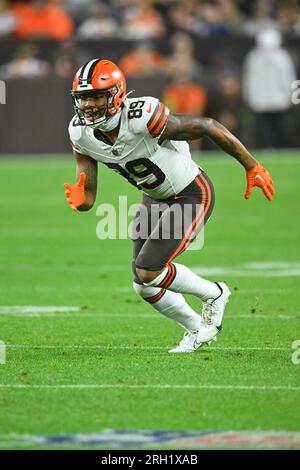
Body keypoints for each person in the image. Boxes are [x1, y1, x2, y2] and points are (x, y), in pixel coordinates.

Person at [64, 59, 275, 353]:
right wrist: (80, 201)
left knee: (149, 271)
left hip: (191, 192)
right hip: (154, 198)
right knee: (143, 283)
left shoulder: (142, 116)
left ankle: (214, 294)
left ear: (117, 94)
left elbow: (207, 126)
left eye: (96, 96)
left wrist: (251, 165)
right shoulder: (80, 133)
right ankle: (196, 329)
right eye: (83, 97)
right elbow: (88, 195)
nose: (88, 104)